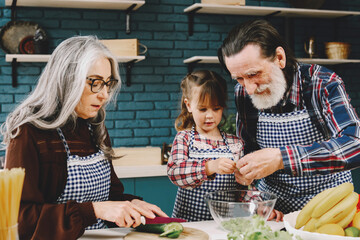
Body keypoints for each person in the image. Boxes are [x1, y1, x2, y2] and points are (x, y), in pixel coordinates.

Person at [1, 36, 167, 239]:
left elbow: (110, 198)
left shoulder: (95, 128)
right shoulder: (28, 132)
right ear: (67, 79)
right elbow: (20, 219)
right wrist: (94, 210)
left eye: (108, 83)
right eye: (95, 83)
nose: (105, 94)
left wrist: (132, 204)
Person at [218, 19, 360, 214]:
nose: (249, 89)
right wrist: (254, 200)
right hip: (274, 210)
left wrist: (281, 158)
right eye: (240, 78)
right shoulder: (242, 93)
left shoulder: (322, 83)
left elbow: (355, 143)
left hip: (328, 208)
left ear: (279, 58)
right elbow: (247, 154)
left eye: (253, 74)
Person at [167, 70, 244, 221]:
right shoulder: (185, 138)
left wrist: (255, 202)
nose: (210, 115)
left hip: (224, 224)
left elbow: (240, 191)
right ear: (189, 105)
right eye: (203, 109)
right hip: (189, 225)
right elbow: (174, 172)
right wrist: (209, 167)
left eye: (216, 108)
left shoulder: (235, 143)